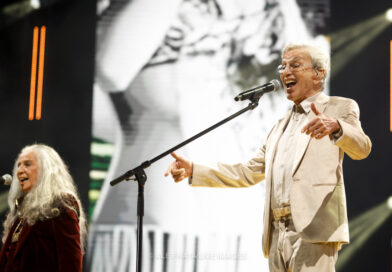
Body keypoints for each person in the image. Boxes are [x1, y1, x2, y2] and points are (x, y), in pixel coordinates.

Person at [165, 43, 372, 271]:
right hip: (276, 234)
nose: (285, 72)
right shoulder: (279, 126)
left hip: (313, 230)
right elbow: (247, 172)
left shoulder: (338, 107)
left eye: (295, 65)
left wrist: (336, 127)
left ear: (318, 73)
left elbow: (362, 148)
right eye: (282, 66)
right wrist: (195, 170)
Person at [0, 144, 87, 271]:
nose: (20, 170)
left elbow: (70, 263)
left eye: (27, 164)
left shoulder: (61, 204)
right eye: (19, 165)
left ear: (46, 169)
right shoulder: (22, 211)